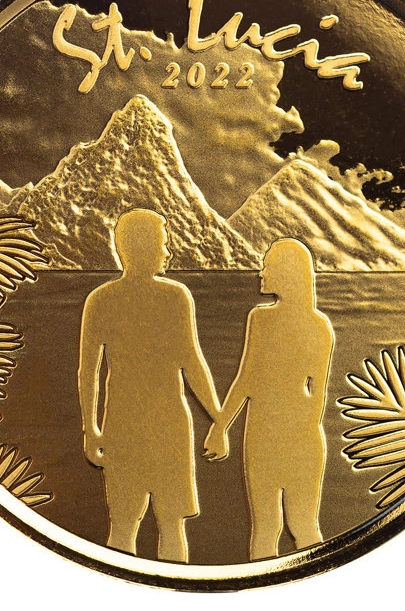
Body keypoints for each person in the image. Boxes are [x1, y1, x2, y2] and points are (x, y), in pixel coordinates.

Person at [77, 208, 221, 563]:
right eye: (162, 244)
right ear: (143, 248)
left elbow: (88, 372)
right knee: (167, 525)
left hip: (126, 426)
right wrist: (218, 419)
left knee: (125, 525)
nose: (167, 252)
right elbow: (192, 363)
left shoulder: (102, 299)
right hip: (161, 426)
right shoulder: (174, 297)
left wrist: (92, 430)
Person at [203, 238, 334, 560]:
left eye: (268, 266)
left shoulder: (315, 326)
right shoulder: (264, 319)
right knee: (269, 528)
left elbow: (315, 395)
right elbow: (248, 379)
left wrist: (223, 426)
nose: (261, 273)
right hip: (270, 435)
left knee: (299, 525)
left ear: (289, 274)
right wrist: (220, 426)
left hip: (284, 436)